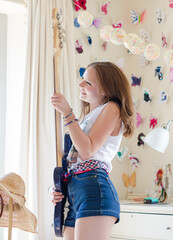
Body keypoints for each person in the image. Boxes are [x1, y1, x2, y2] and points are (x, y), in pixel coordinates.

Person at [50, 61, 134, 240]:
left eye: (88, 82)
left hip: (94, 190)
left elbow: (87, 151)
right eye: (82, 79)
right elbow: (75, 161)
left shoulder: (112, 108)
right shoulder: (86, 119)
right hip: (78, 194)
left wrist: (67, 113)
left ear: (106, 89)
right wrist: (60, 187)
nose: (80, 84)